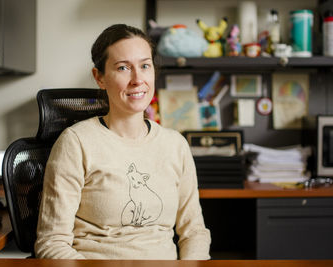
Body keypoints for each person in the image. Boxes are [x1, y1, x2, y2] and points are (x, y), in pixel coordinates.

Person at [34, 24, 211, 260]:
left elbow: (194, 233)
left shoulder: (175, 145)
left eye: (145, 66)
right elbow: (52, 243)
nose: (137, 79)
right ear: (100, 78)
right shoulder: (76, 143)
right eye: (123, 68)